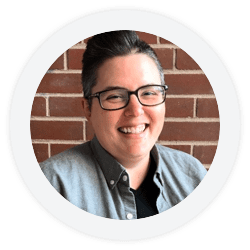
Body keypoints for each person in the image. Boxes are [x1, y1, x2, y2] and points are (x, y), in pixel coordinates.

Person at [40, 30, 207, 220]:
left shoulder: (192, 175)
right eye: (115, 96)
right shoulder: (52, 186)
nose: (136, 110)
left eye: (149, 93)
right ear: (88, 108)